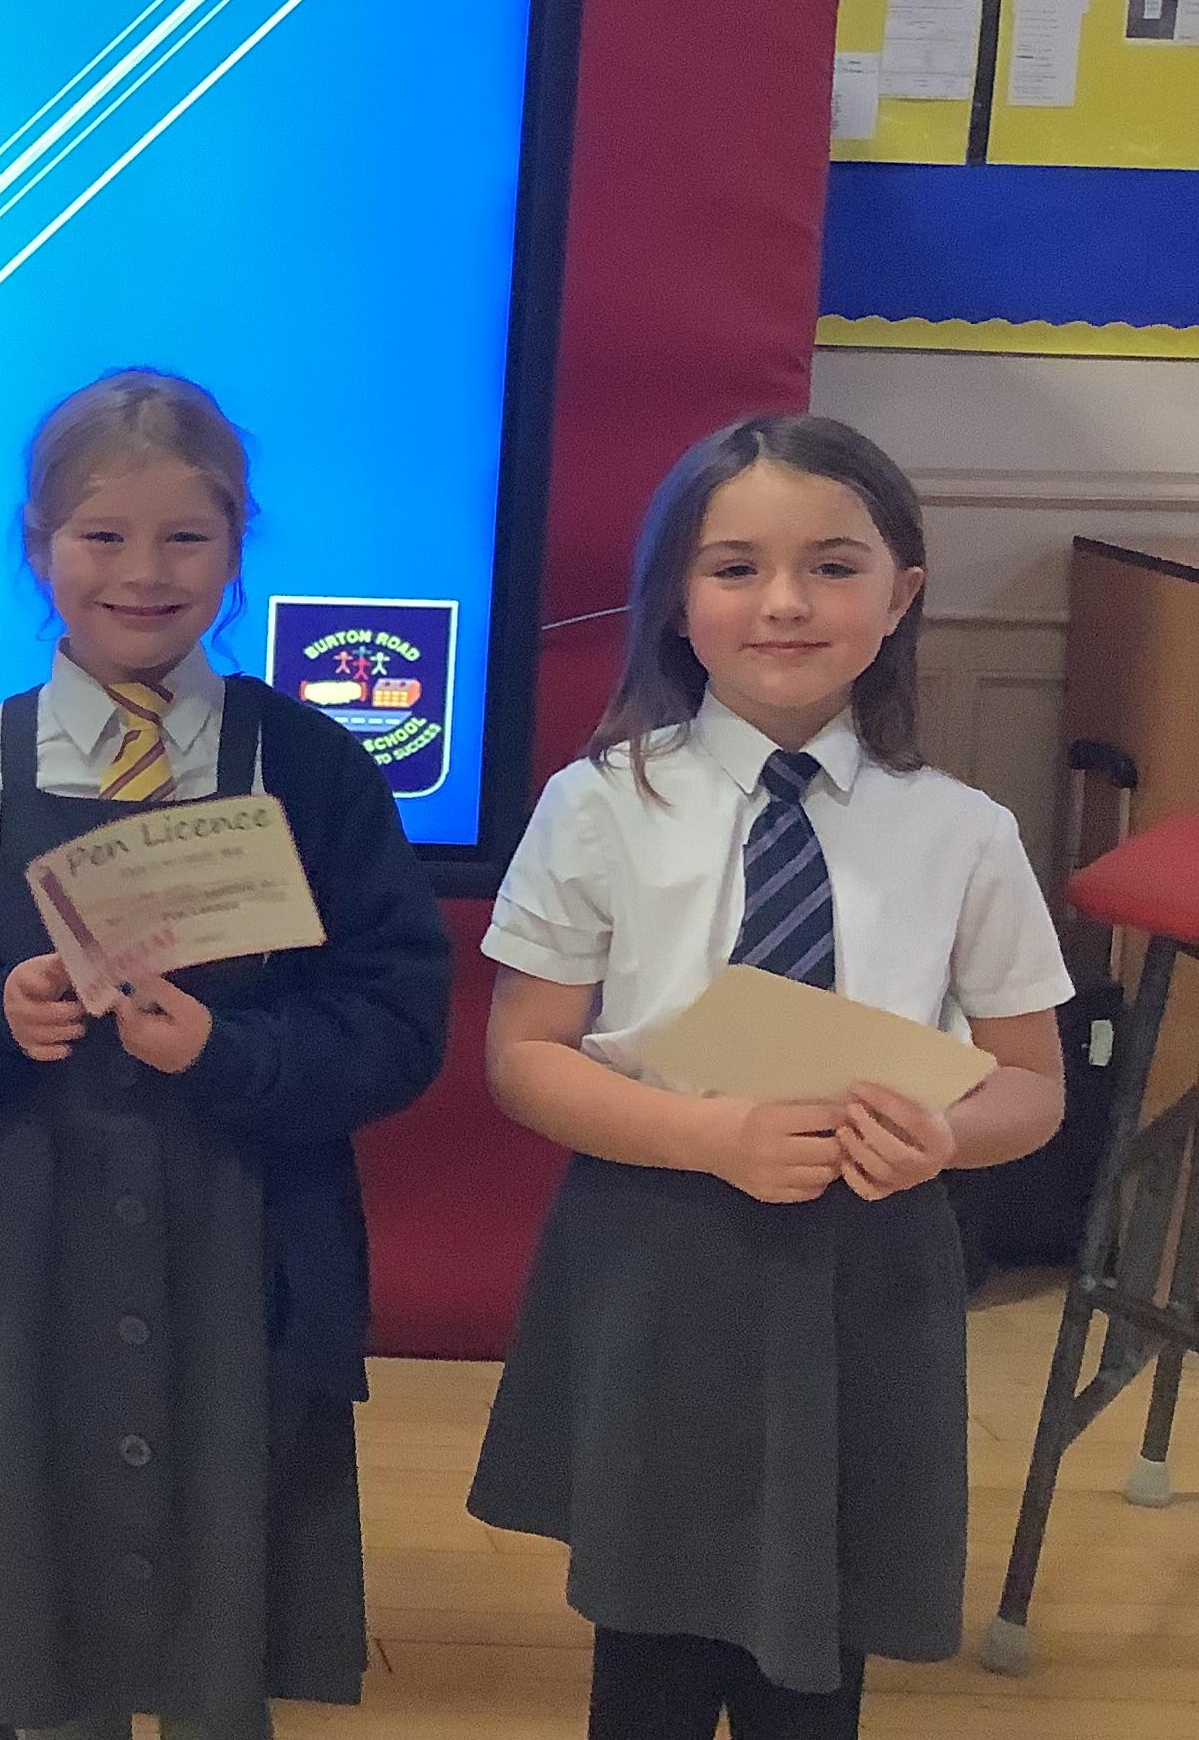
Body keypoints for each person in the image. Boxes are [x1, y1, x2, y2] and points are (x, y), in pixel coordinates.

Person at [0, 370, 450, 1740]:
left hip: (242, 1248)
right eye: (102, 536)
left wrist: (231, 1051)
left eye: (186, 536)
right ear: (37, 545)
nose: (143, 573)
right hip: (29, 1249)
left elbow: (397, 1020)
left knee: (220, 1610)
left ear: (238, 545)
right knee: (35, 1620)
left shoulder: (311, 768)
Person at [469, 413, 1072, 1740]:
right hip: (657, 1246)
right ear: (675, 600)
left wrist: (943, 1138)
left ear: (901, 595)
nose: (785, 603)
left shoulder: (964, 834)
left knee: (819, 1625)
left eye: (833, 567)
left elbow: (1032, 1087)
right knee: (651, 1618)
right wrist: (714, 1138)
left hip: (867, 1267)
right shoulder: (600, 806)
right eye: (735, 567)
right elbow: (523, 1056)